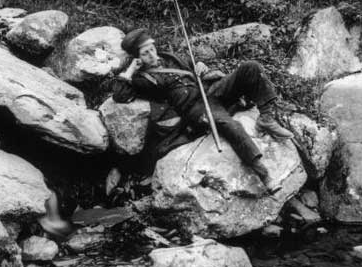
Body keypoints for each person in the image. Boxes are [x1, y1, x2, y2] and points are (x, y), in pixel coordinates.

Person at [113, 28, 293, 195]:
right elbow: (120, 95)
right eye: (145, 53)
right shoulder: (142, 79)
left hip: (211, 91)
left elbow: (192, 68)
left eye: (152, 49)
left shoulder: (169, 58)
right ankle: (264, 175)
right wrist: (129, 71)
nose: (152, 55)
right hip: (195, 108)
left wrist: (200, 66)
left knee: (251, 67)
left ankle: (267, 117)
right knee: (229, 124)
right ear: (137, 58)